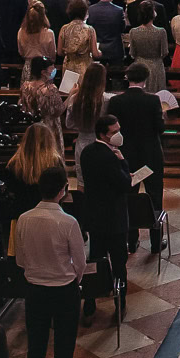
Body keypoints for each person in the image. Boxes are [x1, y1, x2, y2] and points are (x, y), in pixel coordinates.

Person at [14, 165, 87, 358]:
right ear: (63, 190)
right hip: (64, 291)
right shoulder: (68, 222)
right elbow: (80, 263)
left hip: (35, 291)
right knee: (64, 352)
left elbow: (20, 259)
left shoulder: (23, 219)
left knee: (35, 350)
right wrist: (71, 279)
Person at [75, 113, 132, 323]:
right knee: (119, 265)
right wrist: (123, 162)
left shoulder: (87, 152)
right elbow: (125, 184)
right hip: (114, 220)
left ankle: (90, 306)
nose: (118, 135)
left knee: (95, 262)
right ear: (103, 134)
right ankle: (120, 306)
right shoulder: (111, 157)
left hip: (94, 218)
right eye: (114, 132)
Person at [106, 63, 167, 252]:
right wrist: (163, 116)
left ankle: (131, 241)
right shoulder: (153, 101)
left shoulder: (116, 101)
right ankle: (156, 243)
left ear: (127, 78)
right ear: (146, 78)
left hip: (128, 156)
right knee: (154, 196)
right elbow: (160, 129)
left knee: (129, 197)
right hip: (151, 155)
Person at [124, 0, 169, 93]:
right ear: (153, 13)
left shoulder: (133, 31)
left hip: (139, 66)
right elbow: (164, 52)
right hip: (156, 67)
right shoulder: (161, 32)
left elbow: (132, 53)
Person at [18, 55, 66, 138]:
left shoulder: (25, 86)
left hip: (32, 126)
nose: (54, 70)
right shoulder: (50, 89)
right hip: (48, 128)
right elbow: (59, 110)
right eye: (51, 68)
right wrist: (71, 95)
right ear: (43, 72)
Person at [16, 1, 56, 68]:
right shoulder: (49, 33)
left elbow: (21, 52)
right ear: (43, 16)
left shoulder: (21, 32)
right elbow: (52, 55)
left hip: (28, 66)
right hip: (44, 67)